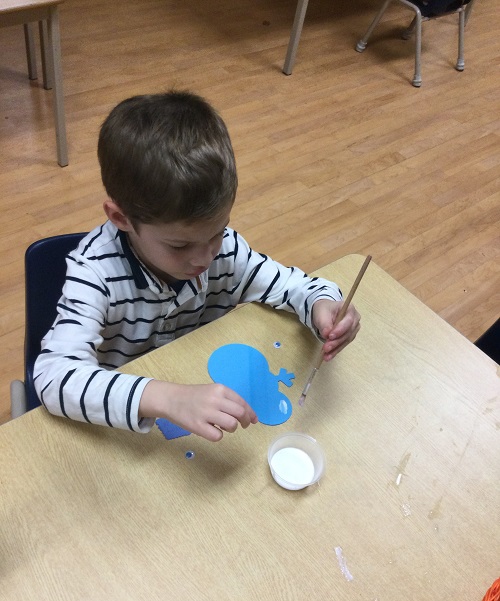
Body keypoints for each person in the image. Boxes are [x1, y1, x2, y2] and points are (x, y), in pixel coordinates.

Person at [34, 91, 360, 441]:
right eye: (180, 245)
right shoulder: (95, 273)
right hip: (129, 424)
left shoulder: (226, 251)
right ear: (120, 218)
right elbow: (54, 376)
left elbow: (296, 286)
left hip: (198, 396)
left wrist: (323, 305)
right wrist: (168, 398)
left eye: (216, 233)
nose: (204, 259)